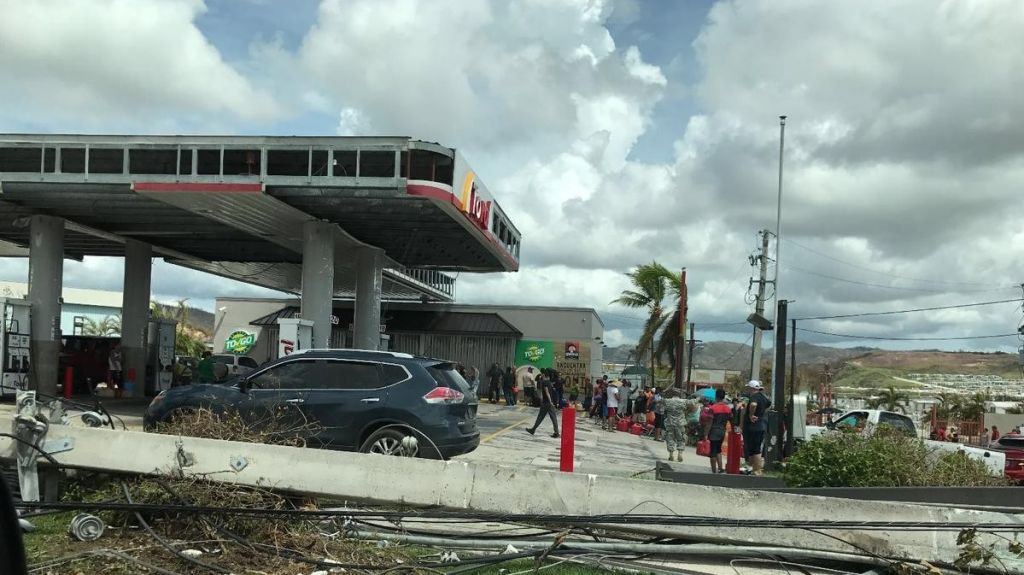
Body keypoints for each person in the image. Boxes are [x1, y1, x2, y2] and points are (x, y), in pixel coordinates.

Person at [743, 380, 771, 476]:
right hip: (761, 425)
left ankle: (757, 470)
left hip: (754, 426)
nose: (747, 390)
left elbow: (753, 405)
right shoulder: (763, 397)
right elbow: (769, 404)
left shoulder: (754, 396)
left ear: (751, 388)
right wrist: (762, 413)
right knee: (754, 448)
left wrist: (751, 415)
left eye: (748, 388)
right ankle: (752, 468)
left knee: (756, 449)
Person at [703, 388, 732, 474]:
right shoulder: (728, 409)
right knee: (718, 449)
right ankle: (720, 468)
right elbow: (731, 419)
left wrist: (705, 434)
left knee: (713, 451)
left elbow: (709, 423)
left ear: (716, 397)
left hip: (714, 431)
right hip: (722, 431)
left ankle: (714, 471)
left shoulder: (713, 408)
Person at [662, 388, 696, 462]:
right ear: (679, 394)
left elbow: (660, 399)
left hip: (670, 423)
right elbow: (694, 402)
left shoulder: (668, 401)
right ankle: (680, 453)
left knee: (670, 438)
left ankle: (671, 454)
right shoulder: (683, 401)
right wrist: (690, 395)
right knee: (681, 438)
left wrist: (665, 391)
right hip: (680, 423)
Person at [525, 372, 560, 438]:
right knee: (553, 418)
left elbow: (547, 392)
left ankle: (533, 429)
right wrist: (552, 402)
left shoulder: (544, 382)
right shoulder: (549, 382)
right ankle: (556, 432)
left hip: (546, 402)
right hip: (550, 402)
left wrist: (549, 401)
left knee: (540, 417)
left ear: (544, 375)